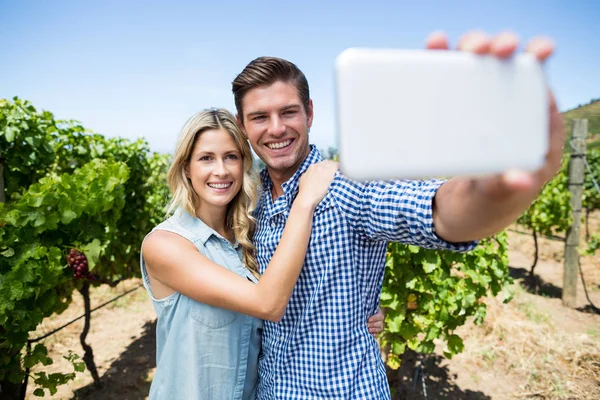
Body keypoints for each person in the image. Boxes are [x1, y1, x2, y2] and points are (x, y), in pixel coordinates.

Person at [231, 30, 564, 398]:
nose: (276, 128)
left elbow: (437, 212)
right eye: (260, 117)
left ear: (309, 113)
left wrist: (490, 191)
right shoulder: (251, 200)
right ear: (243, 125)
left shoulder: (346, 186)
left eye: (288, 112)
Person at [139, 108, 383, 399]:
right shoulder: (165, 244)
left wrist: (360, 311)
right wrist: (304, 202)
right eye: (206, 158)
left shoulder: (250, 236)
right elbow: (267, 303)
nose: (221, 170)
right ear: (186, 169)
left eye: (231, 156)